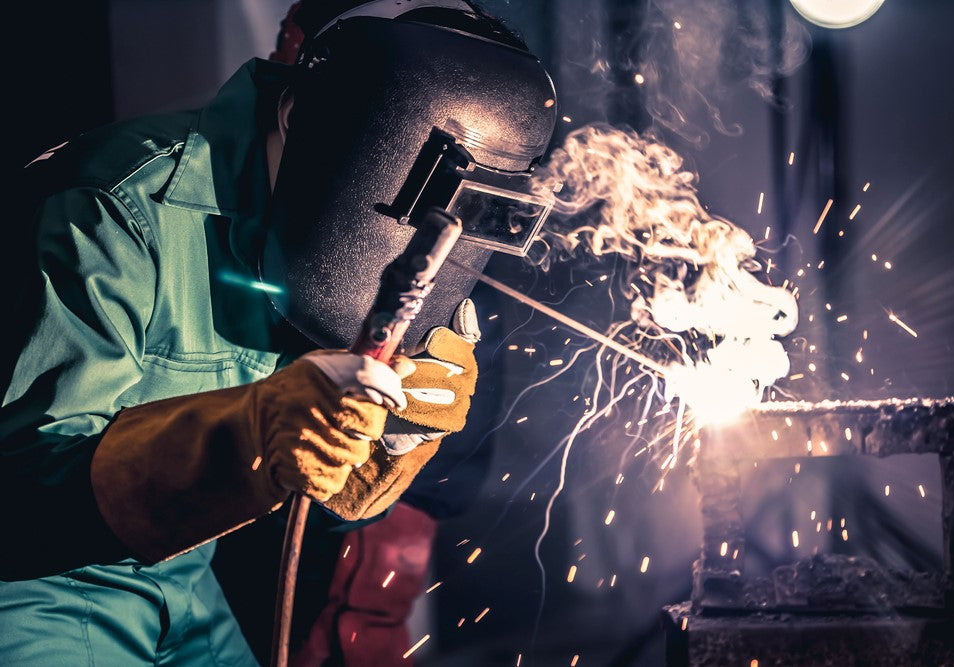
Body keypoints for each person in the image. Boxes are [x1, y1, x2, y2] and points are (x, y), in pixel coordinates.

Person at [0, 1, 557, 664]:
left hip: (182, 577)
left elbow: (331, 497)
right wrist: (251, 429)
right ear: (305, 117)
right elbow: (22, 497)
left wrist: (392, 438)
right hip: (35, 588)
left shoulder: (326, 243)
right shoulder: (112, 209)